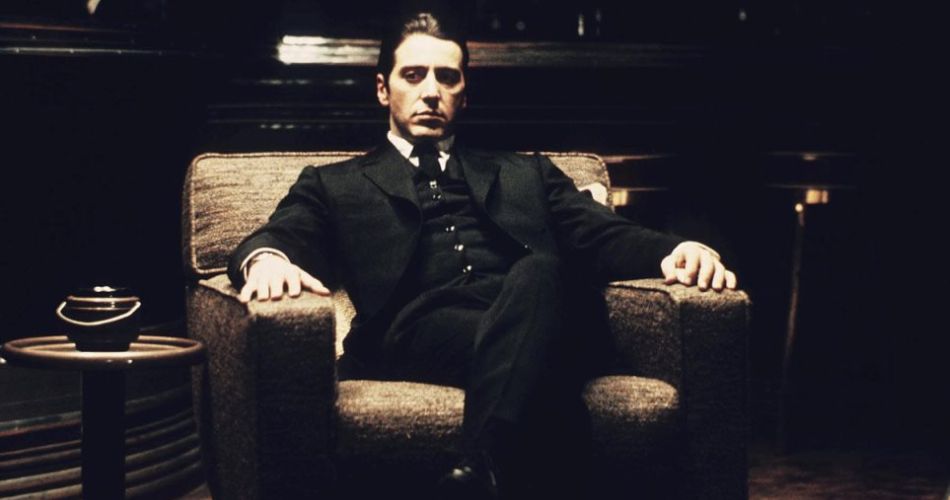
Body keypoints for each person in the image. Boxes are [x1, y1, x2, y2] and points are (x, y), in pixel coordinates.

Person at [228, 11, 737, 500]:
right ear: (383, 88)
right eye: (414, 75)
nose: (431, 91)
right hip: (421, 333)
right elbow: (280, 234)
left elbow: (602, 234)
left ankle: (478, 469)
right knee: (547, 376)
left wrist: (677, 248)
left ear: (464, 93)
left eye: (447, 77)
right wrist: (267, 260)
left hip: (543, 308)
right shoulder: (334, 184)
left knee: (540, 271)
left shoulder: (528, 172)